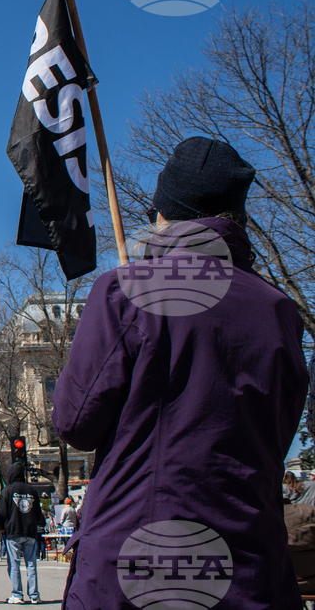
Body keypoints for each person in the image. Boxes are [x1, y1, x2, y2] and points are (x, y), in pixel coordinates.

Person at [52, 137, 309, 609]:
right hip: (252, 565)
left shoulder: (127, 293)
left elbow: (75, 423)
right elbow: (280, 431)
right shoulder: (280, 312)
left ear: (164, 214)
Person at [0, 463, 40, 604]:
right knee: (31, 564)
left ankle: (17, 594)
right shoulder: (32, 490)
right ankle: (34, 595)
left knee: (14, 564)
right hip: (30, 531)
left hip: (13, 531)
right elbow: (38, 513)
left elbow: (2, 513)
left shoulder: (7, 490)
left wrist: (3, 526)